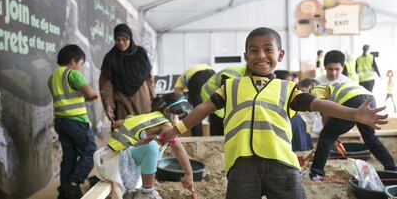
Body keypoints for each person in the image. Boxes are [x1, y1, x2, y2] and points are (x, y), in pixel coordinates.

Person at [159, 27, 388, 199]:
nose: (261, 55)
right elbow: (202, 108)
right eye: (254, 50)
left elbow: (318, 104)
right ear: (246, 56)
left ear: (280, 55)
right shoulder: (231, 86)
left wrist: (353, 114)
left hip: (282, 165)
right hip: (241, 166)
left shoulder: (287, 88)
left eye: (268, 49)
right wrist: (176, 129)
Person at [96, 92, 194, 199]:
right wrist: (189, 174)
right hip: (121, 165)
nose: (181, 123)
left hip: (107, 158)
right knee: (152, 146)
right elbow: (179, 149)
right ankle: (147, 192)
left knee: (149, 144)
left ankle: (141, 188)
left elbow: (116, 124)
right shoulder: (167, 126)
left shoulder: (148, 117)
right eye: (179, 118)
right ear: (167, 111)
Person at [309, 82, 396, 181]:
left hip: (351, 100)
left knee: (326, 136)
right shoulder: (336, 86)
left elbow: (325, 111)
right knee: (370, 138)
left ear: (311, 85)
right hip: (369, 100)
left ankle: (317, 173)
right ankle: (391, 168)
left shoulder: (314, 90)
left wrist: (331, 132)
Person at [48, 44, 99, 199]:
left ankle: (64, 191)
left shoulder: (52, 78)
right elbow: (90, 93)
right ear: (74, 61)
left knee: (69, 156)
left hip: (60, 122)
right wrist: (95, 93)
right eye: (81, 65)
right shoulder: (73, 73)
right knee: (90, 152)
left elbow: (66, 96)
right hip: (76, 121)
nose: (81, 68)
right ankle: (73, 184)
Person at [99, 24, 156, 123]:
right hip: (122, 100)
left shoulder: (140, 53)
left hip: (142, 97)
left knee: (145, 128)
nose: (121, 43)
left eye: (124, 39)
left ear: (130, 38)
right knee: (125, 130)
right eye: (117, 40)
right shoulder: (111, 58)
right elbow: (105, 85)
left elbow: (149, 77)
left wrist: (153, 97)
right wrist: (108, 105)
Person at [200, 66, 247, 135]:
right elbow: (227, 97)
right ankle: (218, 139)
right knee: (219, 120)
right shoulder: (232, 76)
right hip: (210, 95)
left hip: (218, 96)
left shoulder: (244, 75)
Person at [174, 64, 215, 136]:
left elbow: (178, 93)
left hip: (196, 77)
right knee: (214, 104)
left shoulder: (181, 78)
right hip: (212, 73)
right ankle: (216, 135)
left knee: (196, 109)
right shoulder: (189, 72)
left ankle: (197, 135)